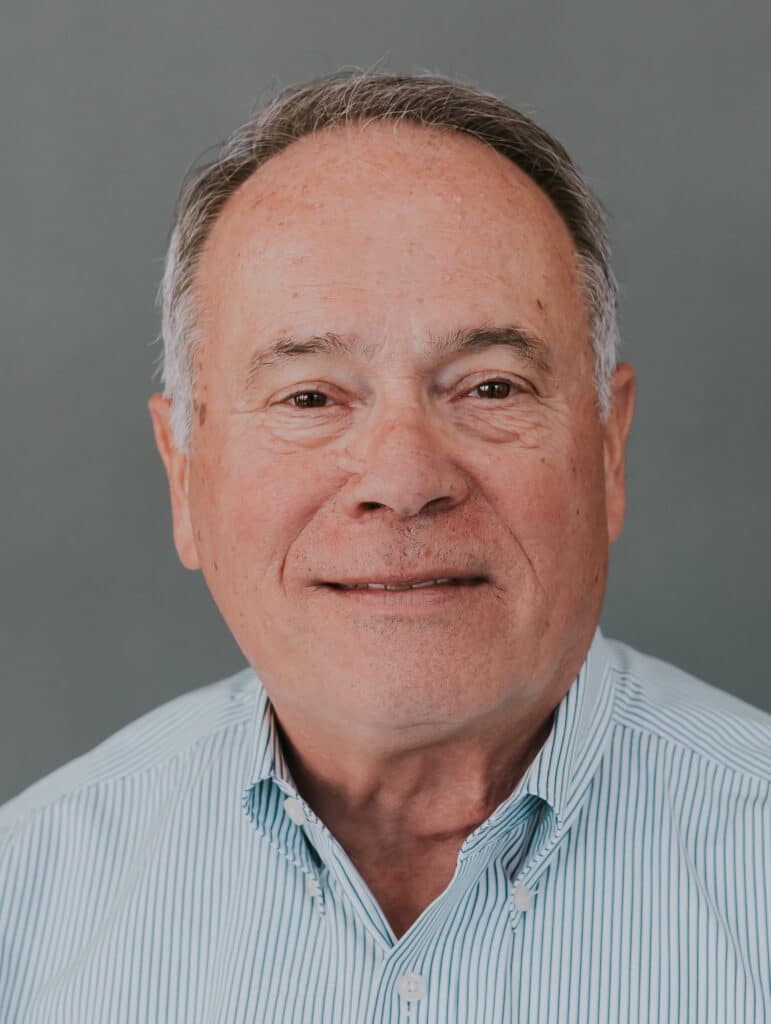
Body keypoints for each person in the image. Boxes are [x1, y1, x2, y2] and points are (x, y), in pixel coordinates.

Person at [0, 71, 768, 1024]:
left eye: (489, 388)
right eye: (311, 398)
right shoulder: (25, 905)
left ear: (607, 448)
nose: (404, 481)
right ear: (182, 470)